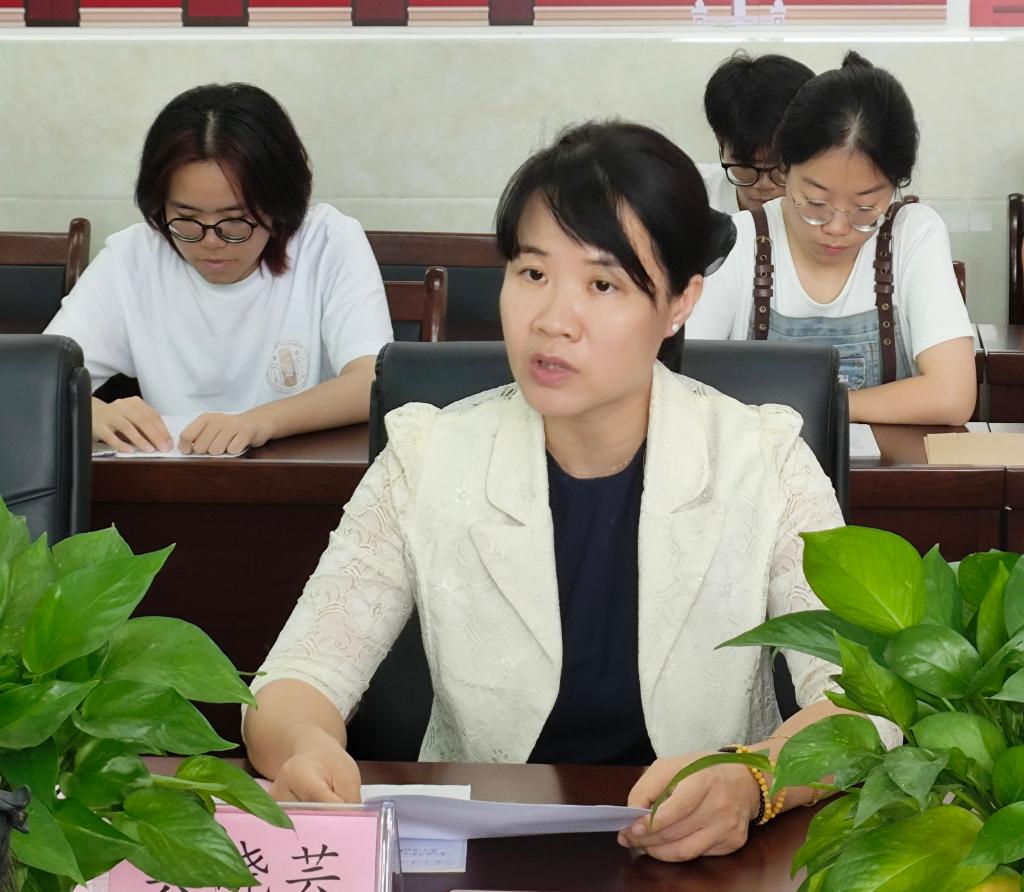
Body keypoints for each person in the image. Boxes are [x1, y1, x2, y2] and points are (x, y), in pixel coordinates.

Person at [244, 120, 898, 863]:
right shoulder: (426, 456)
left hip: (706, 860)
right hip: (477, 859)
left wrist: (757, 779)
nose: (552, 320)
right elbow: (295, 679)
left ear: (680, 301)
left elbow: (866, 702)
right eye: (531, 274)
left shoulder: (764, 457)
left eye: (602, 284)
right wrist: (302, 745)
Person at [45, 83, 393, 456]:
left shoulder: (326, 241)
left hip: (301, 475)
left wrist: (257, 422)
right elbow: (34, 375)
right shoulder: (132, 256)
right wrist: (91, 411)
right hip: (170, 479)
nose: (211, 241)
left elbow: (373, 382)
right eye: (186, 218)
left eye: (235, 220)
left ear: (279, 206)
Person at [687, 52, 975, 426]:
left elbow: (952, 396)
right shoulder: (740, 240)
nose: (837, 227)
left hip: (887, 466)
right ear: (784, 167)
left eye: (865, 208)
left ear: (895, 187)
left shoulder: (912, 234)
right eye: (816, 203)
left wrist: (810, 408)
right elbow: (685, 388)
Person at [698, 51, 815, 214]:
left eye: (782, 167)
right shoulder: (690, 196)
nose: (764, 185)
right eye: (746, 164)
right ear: (720, 140)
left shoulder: (833, 210)